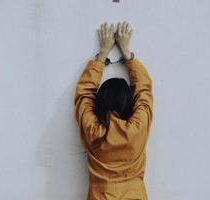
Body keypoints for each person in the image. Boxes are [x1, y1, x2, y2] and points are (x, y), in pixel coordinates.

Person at [74, 21, 153, 200]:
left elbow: (84, 94)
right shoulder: (137, 128)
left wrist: (102, 55)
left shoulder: (93, 130)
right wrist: (127, 54)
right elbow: (144, 91)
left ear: (100, 101)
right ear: (128, 102)